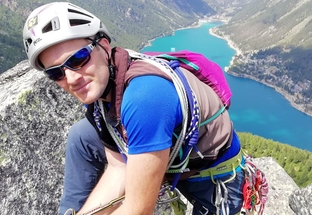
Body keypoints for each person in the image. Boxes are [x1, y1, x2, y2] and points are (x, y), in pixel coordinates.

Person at [22, 2, 245, 215]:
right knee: (82, 135)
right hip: (174, 152)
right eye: (55, 73)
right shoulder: (102, 94)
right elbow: (118, 168)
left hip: (211, 172)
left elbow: (138, 210)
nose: (71, 78)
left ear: (104, 46)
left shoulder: (145, 98)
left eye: (79, 58)